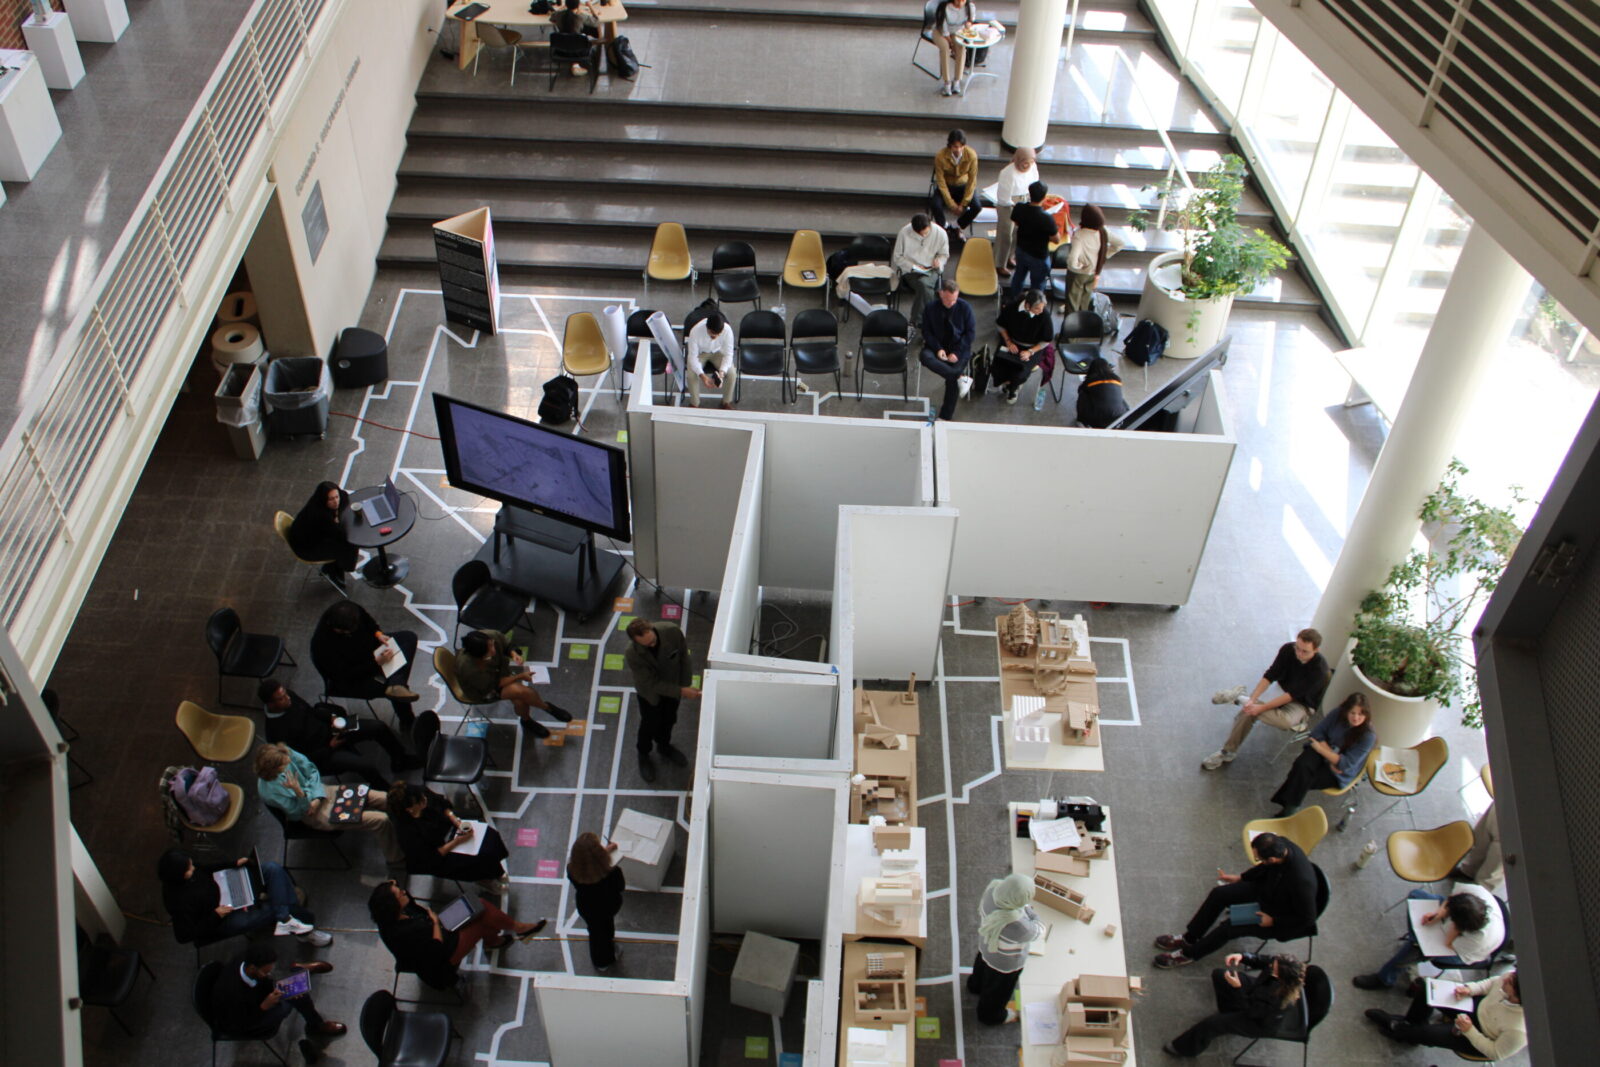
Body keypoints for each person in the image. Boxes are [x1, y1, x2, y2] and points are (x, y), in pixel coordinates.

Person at [1153, 832, 1319, 968]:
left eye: (1259, 858)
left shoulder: (1301, 882)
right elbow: (1263, 868)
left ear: (1273, 859)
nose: (1258, 861)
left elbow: (1307, 919)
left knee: (1229, 927)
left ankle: (1188, 955)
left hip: (1278, 915)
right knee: (1219, 894)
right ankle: (1189, 938)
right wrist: (1242, 877)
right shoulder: (1280, 845)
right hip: (1269, 890)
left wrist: (1273, 920)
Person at [369, 880, 546, 990]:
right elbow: (436, 949)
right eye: (398, 893)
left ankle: (499, 938)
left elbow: (414, 906)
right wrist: (436, 923)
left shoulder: (397, 913)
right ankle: (518, 930)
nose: (403, 891)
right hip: (440, 957)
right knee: (480, 919)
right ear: (392, 906)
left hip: (437, 928)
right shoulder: (404, 932)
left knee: (478, 904)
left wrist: (435, 922)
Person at [1202, 628, 1331, 771]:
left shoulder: (1320, 671)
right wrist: (1253, 699)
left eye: (1305, 651)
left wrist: (1260, 707)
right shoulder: (1288, 649)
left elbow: (1291, 696)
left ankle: (1239, 698)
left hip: (1302, 703)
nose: (1299, 653)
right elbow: (1270, 675)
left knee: (1284, 721)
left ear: (1316, 650)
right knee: (1250, 710)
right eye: (1298, 648)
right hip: (1283, 689)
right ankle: (1227, 751)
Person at [254, 742, 404, 864]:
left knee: (384, 797)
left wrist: (316, 797)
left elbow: (311, 770)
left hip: (323, 793)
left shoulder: (284, 752)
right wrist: (300, 794)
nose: (288, 764)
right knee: (380, 820)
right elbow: (296, 813)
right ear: (273, 769)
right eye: (283, 765)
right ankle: (395, 858)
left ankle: (409, 817)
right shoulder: (269, 791)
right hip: (316, 814)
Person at [258, 679, 418, 788]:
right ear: (271, 704)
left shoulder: (289, 697)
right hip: (322, 754)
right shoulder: (276, 733)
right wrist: (330, 747)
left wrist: (333, 718)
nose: (287, 698)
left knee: (378, 727)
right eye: (281, 698)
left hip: (331, 730)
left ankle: (400, 759)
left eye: (285, 693)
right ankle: (388, 793)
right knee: (366, 766)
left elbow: (311, 712)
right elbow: (302, 760)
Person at [156, 848, 330, 947]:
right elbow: (185, 936)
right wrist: (216, 915)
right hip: (222, 919)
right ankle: (301, 929)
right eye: (189, 869)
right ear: (178, 875)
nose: (193, 868)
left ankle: (285, 917)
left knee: (272, 869)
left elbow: (206, 869)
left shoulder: (189, 870)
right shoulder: (177, 902)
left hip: (227, 888)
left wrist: (232, 864)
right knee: (276, 906)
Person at [209, 943, 344, 1064]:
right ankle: (297, 971)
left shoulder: (246, 962)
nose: (268, 974)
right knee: (286, 1005)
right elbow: (241, 1022)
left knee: (296, 993)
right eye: (266, 971)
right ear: (252, 968)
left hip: (254, 999)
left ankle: (315, 1025)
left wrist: (280, 991)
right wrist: (264, 1006)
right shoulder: (233, 994)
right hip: (240, 1021)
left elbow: (263, 983)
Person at [1352, 882, 1504, 989]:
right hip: (1459, 920)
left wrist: (1452, 929)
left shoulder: (1478, 940)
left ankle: (1385, 979)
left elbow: (1448, 945)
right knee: (1416, 895)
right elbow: (1451, 900)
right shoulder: (1474, 892)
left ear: (1457, 924)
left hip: (1461, 952)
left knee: (1417, 948)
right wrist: (1439, 913)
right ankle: (1414, 942)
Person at [1163, 952, 1307, 1057]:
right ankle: (1229, 1011)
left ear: (1280, 977)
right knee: (1221, 975)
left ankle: (1184, 1049)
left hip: (1257, 1021)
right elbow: (1264, 960)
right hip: (1256, 995)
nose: (1270, 966)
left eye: (1273, 968)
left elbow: (1250, 1011)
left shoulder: (1278, 998)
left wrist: (1237, 988)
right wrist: (1243, 957)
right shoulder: (1276, 969)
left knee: (1211, 1024)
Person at [1366, 970, 1525, 1060]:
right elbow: (1492, 983)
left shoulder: (1519, 1031)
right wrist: (1470, 989)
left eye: (1509, 983)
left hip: (1479, 1036)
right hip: (1477, 1008)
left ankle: (1399, 1030)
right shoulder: (1510, 978)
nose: (1506, 978)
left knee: (1426, 1032)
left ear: (1520, 997)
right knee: (1429, 989)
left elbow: (1495, 1053)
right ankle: (1408, 1028)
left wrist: (1469, 1031)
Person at [388, 780, 511, 895]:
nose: (425, 799)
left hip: (449, 829)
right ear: (410, 809)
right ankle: (484, 879)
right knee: (474, 859)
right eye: (420, 802)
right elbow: (430, 858)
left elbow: (443, 805)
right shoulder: (407, 832)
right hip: (439, 855)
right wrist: (457, 842)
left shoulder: (419, 792)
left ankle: (496, 871)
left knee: (490, 836)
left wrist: (456, 821)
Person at [310, 600, 421, 727]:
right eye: (346, 633)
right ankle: (407, 720)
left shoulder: (351, 610)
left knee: (408, 638)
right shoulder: (321, 646)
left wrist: (378, 634)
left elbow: (369, 622)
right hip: (355, 679)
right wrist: (376, 663)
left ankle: (396, 684)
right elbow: (345, 675)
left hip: (372, 652)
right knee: (390, 687)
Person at [1267, 693, 1376, 815]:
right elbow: (1317, 733)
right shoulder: (1337, 713)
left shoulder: (1368, 736)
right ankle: (1290, 809)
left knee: (1302, 778)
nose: (1356, 718)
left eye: (1361, 714)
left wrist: (1321, 750)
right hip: (1325, 750)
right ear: (1346, 711)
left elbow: (1345, 765)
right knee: (1301, 766)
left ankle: (1288, 810)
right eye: (1352, 713)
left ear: (1366, 714)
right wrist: (1331, 757)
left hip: (1337, 770)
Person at [454, 628, 574, 738]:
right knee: (521, 692)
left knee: (520, 700)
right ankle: (547, 708)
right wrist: (520, 676)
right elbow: (495, 685)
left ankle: (527, 720)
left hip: (499, 674)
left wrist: (513, 653)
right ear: (479, 656)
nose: (493, 650)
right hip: (484, 690)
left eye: (491, 645)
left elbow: (506, 644)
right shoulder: (470, 669)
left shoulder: (489, 636)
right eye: (489, 650)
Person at [623, 618, 699, 783]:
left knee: (669, 719)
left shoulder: (671, 631)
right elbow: (651, 683)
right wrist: (681, 690)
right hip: (650, 694)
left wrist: (685, 684)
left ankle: (664, 746)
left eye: (653, 641)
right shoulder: (633, 654)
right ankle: (643, 753)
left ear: (652, 628)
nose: (651, 645)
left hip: (673, 688)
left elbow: (684, 657)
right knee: (649, 724)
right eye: (646, 645)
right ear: (636, 641)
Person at [967, 872, 1045, 1025]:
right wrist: (1029, 910)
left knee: (982, 968)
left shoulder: (991, 891)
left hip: (986, 946)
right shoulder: (1020, 926)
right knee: (998, 990)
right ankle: (991, 1015)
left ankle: (974, 986)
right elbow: (1039, 930)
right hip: (1005, 963)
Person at [567, 831, 627, 971]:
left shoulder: (572, 869)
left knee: (596, 931)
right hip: (608, 906)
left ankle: (606, 947)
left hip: (587, 907)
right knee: (601, 935)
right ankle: (603, 961)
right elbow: (620, 887)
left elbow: (588, 863)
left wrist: (606, 851)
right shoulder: (612, 872)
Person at [919, 278, 976, 422]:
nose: (951, 303)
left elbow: (970, 334)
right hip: (938, 346)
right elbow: (926, 331)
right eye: (948, 300)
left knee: (951, 381)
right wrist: (938, 349)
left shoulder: (965, 308)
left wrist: (956, 353)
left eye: (954, 300)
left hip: (959, 349)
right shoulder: (931, 308)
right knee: (925, 356)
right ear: (941, 294)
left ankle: (945, 417)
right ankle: (959, 377)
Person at [287, 481, 358, 589]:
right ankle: (336, 570)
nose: (336, 502)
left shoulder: (320, 502)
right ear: (324, 500)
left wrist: (337, 514)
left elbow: (344, 496)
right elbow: (340, 535)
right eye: (331, 499)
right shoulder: (320, 516)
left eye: (336, 497)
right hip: (307, 548)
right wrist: (336, 521)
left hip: (311, 536)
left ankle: (333, 568)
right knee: (348, 545)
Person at [991, 289, 1053, 405]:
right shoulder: (1011, 308)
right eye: (1037, 309)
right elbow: (1000, 325)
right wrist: (1009, 342)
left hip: (1033, 347)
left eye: (1042, 308)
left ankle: (1013, 389)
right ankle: (1007, 383)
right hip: (1012, 341)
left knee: (1020, 371)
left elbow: (1046, 340)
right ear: (1027, 305)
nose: (1040, 311)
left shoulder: (1044, 315)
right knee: (998, 365)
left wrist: (1030, 351)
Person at [892, 213, 950, 324]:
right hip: (911, 270)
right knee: (925, 286)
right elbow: (897, 257)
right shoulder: (904, 232)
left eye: (926, 233)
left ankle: (916, 321)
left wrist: (939, 261)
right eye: (920, 234)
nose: (923, 236)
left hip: (931, 269)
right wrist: (912, 266)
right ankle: (932, 319)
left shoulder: (940, 233)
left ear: (930, 225)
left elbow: (944, 255)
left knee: (924, 285)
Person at [1064, 203, 1123, 313]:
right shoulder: (1103, 231)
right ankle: (1082, 324)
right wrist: (1104, 256)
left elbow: (1072, 260)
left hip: (1078, 274)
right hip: (1093, 272)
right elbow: (1120, 243)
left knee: (1072, 304)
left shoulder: (1079, 235)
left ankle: (1070, 326)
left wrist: (1078, 266)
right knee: (1084, 302)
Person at [1006, 182, 1058, 301]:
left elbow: (1017, 222)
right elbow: (1056, 239)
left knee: (1018, 276)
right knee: (1038, 284)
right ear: (1044, 197)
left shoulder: (1019, 208)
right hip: (1038, 256)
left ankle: (1015, 301)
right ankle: (1034, 305)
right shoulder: (1046, 218)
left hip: (1021, 250)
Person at [992, 147, 1039, 278]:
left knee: (1018, 233)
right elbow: (1003, 197)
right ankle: (1000, 263)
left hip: (1024, 200)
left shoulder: (1033, 167)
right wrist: (1015, 207)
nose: (1027, 165)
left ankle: (1010, 257)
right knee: (1006, 235)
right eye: (1024, 162)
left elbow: (1034, 182)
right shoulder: (1008, 173)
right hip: (1008, 204)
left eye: (1030, 162)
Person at [930, 129, 982, 230]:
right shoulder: (940, 156)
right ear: (950, 146)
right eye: (955, 147)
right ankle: (944, 226)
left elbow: (972, 180)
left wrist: (963, 204)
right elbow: (940, 181)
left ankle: (957, 225)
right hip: (947, 185)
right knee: (935, 205)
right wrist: (951, 204)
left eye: (961, 147)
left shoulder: (971, 155)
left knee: (977, 206)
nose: (958, 150)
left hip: (963, 185)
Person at [685, 310, 737, 410]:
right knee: (691, 375)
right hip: (700, 353)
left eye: (718, 334)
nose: (715, 337)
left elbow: (729, 354)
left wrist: (722, 372)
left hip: (718, 352)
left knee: (731, 373)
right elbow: (692, 357)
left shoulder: (728, 330)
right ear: (707, 328)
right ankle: (694, 403)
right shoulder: (695, 332)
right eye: (712, 334)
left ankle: (726, 402)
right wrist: (703, 376)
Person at [932, 0, 977, 96]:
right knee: (945, 48)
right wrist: (951, 43)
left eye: (963, 1)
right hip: (941, 32)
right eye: (957, 0)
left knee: (961, 49)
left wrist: (969, 23)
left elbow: (970, 20)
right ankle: (947, 82)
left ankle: (957, 80)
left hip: (956, 32)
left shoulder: (970, 7)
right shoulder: (944, 8)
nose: (960, 3)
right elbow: (944, 30)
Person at [1076, 356, 1129, 427]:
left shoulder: (1090, 380)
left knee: (1083, 394)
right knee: (1119, 397)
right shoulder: (1117, 379)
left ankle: (1082, 421)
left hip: (1098, 420)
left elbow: (1080, 390)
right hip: (1119, 417)